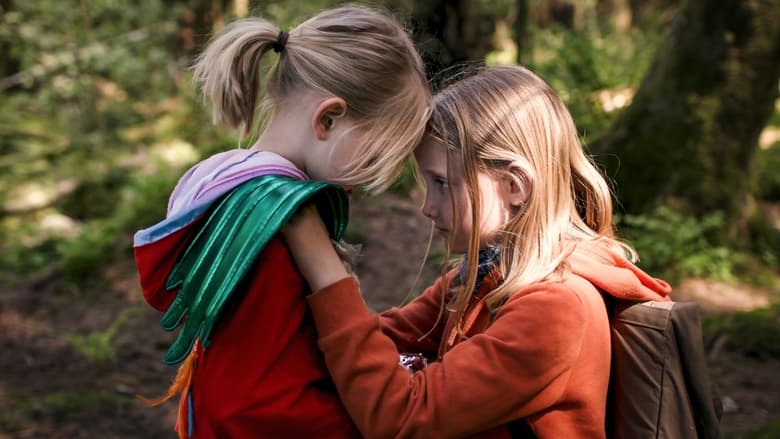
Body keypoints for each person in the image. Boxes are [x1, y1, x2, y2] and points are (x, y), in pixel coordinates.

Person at [281, 65, 672, 438]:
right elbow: (379, 339)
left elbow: (400, 418)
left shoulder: (556, 308)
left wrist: (327, 273)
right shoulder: (481, 276)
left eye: (442, 183)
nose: (428, 208)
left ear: (515, 186)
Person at [132, 5, 429, 438]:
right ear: (328, 119)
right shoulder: (273, 230)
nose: (370, 178)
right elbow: (260, 399)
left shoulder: (228, 182)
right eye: (375, 156)